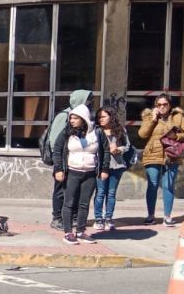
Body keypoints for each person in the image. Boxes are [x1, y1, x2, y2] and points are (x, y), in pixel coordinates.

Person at [52, 105, 109, 245]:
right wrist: (58, 169)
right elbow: (57, 150)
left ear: (83, 119)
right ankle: (68, 232)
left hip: (90, 173)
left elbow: (106, 151)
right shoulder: (67, 132)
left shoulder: (97, 132)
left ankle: (81, 231)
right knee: (69, 202)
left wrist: (104, 169)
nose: (72, 120)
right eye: (71, 117)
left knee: (84, 204)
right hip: (72, 172)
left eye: (75, 118)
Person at [139, 93, 184, 227]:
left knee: (168, 186)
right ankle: (150, 215)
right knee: (152, 186)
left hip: (172, 155)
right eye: (159, 104)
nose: (162, 107)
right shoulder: (149, 116)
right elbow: (142, 134)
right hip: (152, 155)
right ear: (155, 106)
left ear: (169, 105)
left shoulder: (178, 117)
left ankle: (167, 217)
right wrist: (153, 119)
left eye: (165, 104)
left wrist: (176, 136)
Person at [45, 88, 93, 230]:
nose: (90, 103)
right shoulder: (64, 116)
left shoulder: (84, 118)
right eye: (88, 100)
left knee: (74, 191)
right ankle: (57, 217)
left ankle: (72, 217)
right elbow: (55, 143)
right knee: (60, 190)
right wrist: (59, 165)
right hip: (63, 162)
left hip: (75, 162)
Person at [93, 106, 131, 232]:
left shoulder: (120, 130)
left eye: (103, 116)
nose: (101, 119)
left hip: (117, 164)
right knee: (100, 193)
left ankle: (108, 218)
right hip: (101, 165)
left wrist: (119, 149)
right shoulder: (96, 130)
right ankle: (98, 219)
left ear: (111, 117)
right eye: (99, 117)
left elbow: (127, 145)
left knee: (111, 193)